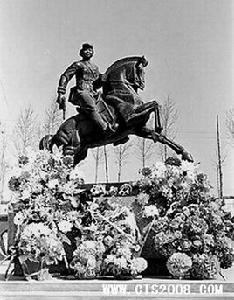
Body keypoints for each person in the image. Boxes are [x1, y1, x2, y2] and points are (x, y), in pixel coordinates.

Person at [56, 43, 118, 135]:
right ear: (82, 52)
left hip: (93, 93)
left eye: (90, 50)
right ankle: (105, 129)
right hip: (81, 92)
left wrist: (102, 80)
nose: (88, 51)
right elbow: (65, 76)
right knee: (91, 106)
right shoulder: (78, 64)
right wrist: (61, 92)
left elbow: (95, 85)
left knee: (107, 106)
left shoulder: (95, 68)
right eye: (86, 50)